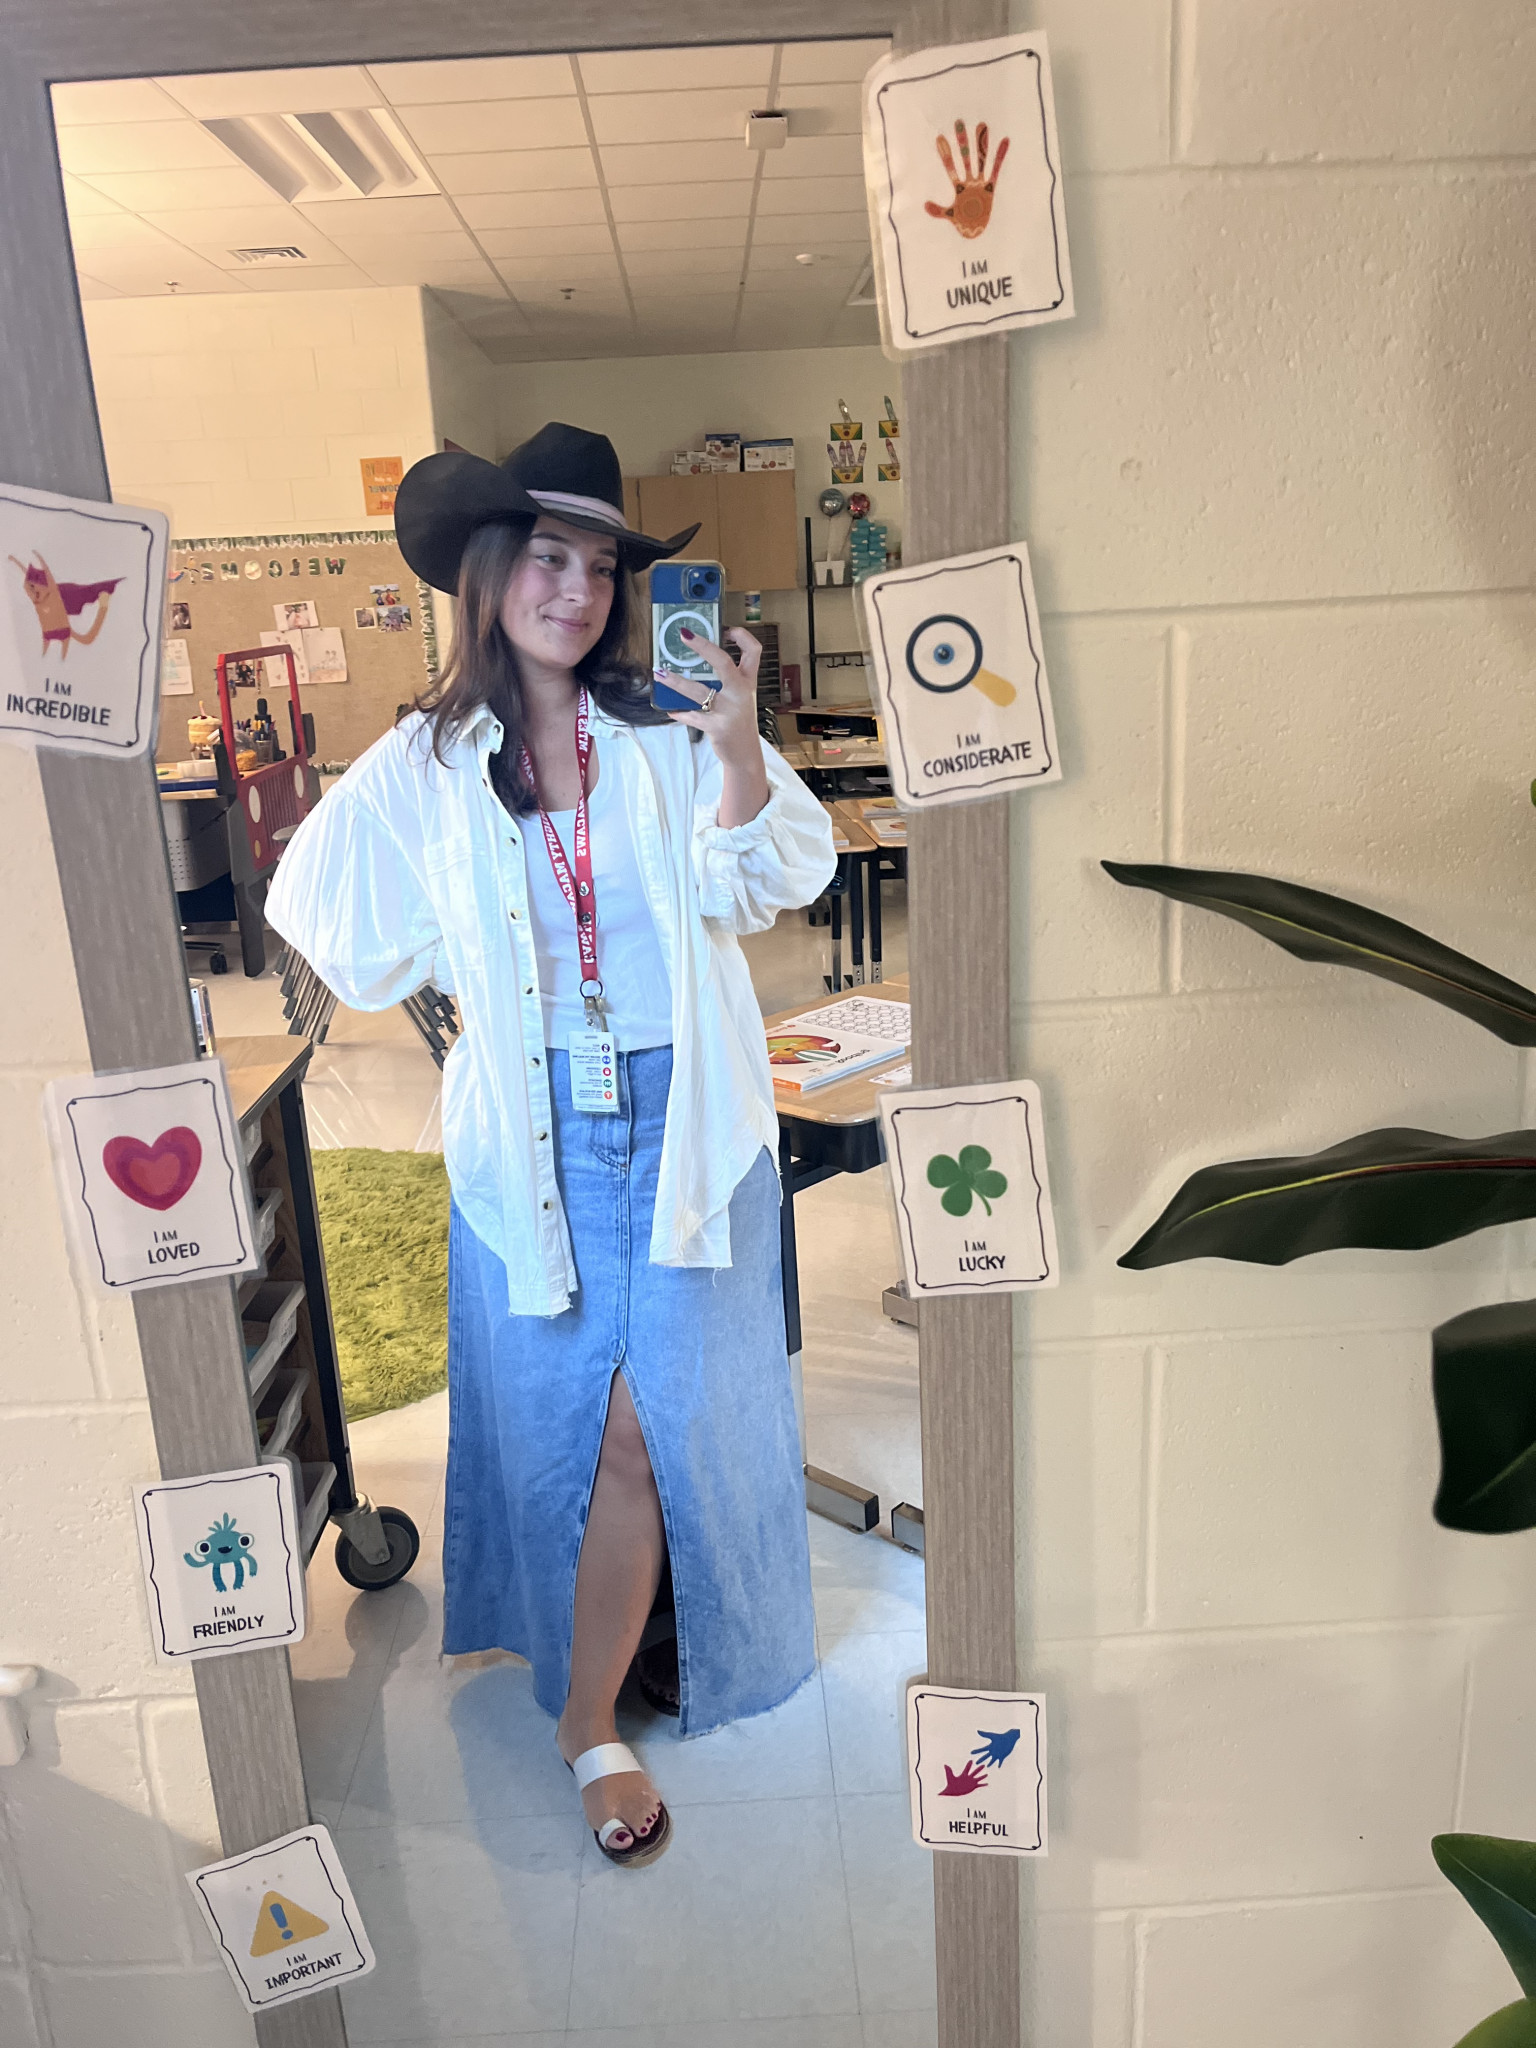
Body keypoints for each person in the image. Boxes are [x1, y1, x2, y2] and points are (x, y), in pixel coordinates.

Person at [266, 423, 836, 1870]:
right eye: (546, 557)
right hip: (535, 1136)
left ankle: (599, 1702)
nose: (576, 590)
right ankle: (599, 1696)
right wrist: (456, 960)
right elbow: (321, 905)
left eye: (599, 566)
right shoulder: (428, 759)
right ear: (487, 572)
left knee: (658, 1417)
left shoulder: (662, 728)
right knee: (563, 1419)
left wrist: (735, 742)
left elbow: (774, 878)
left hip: (687, 1117)